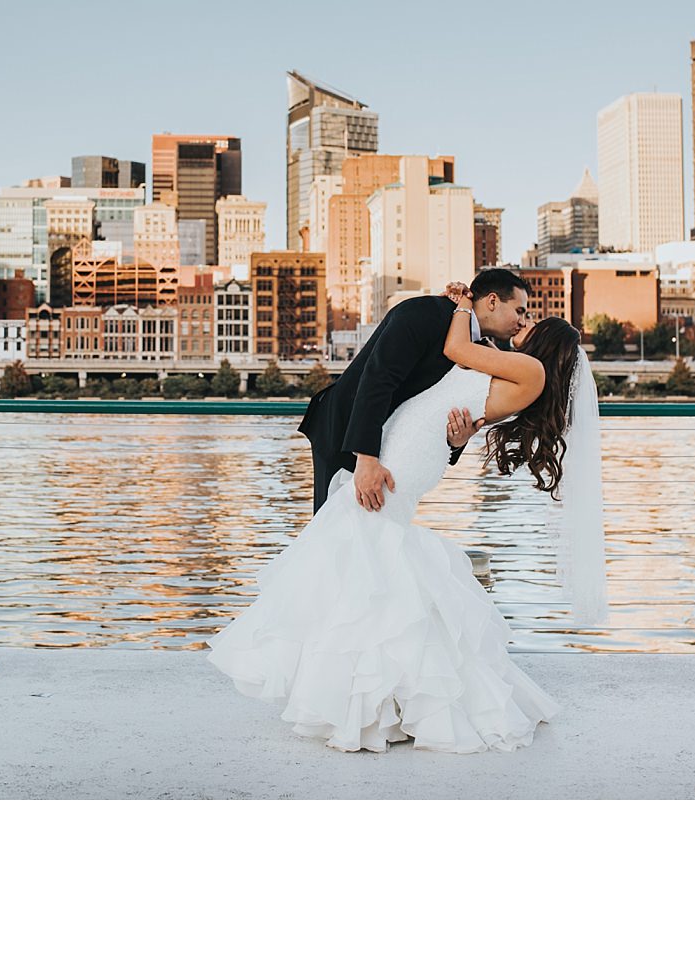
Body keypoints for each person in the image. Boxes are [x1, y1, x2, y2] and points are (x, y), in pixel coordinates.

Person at [207, 282, 608, 753]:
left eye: (532, 321)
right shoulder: (510, 363)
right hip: (407, 443)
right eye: (523, 312)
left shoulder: (528, 369)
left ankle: (367, 699)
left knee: (366, 558)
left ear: (548, 344)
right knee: (370, 562)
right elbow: (461, 411)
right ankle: (382, 694)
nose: (524, 321)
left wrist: (460, 306)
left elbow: (454, 350)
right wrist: (456, 437)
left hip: (405, 456)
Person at [297, 268, 532, 516]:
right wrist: (366, 458)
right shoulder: (425, 313)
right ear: (492, 301)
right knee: (332, 528)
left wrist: (456, 442)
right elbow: (379, 378)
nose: (523, 322)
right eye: (519, 311)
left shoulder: (477, 348)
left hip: (391, 443)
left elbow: (433, 404)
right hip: (343, 431)